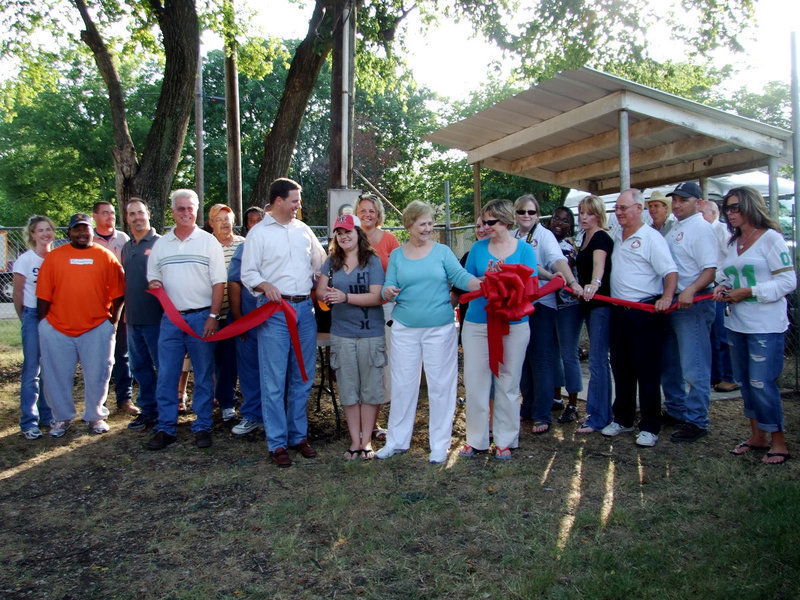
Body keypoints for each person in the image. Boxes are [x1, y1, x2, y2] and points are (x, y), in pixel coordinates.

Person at [376, 200, 481, 463]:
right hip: (404, 328)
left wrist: (481, 283)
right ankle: (396, 441)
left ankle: (439, 444)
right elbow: (388, 284)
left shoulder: (443, 252)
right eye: (422, 223)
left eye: (430, 223)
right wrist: (387, 291)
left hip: (440, 328)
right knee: (403, 384)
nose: (427, 228)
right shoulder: (398, 255)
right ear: (409, 225)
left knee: (441, 386)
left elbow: (459, 276)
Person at [241, 178, 326, 468]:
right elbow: (248, 273)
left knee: (302, 376)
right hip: (274, 312)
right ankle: (276, 442)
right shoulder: (258, 234)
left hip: (304, 311)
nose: (298, 206)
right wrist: (265, 285)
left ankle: (298, 436)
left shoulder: (303, 230)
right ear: (278, 201)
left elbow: (320, 263)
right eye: (295, 201)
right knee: (274, 379)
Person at [714, 186, 796, 465]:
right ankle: (757, 436)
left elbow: (788, 282)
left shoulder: (771, 239)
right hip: (737, 323)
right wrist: (722, 286)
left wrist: (748, 292)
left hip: (766, 324)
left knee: (762, 382)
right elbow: (725, 273)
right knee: (745, 383)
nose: (730, 213)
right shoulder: (732, 242)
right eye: (727, 208)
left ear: (751, 206)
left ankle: (779, 442)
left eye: (735, 207)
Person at [146, 189, 227, 450]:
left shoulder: (208, 242)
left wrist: (214, 316)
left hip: (202, 316)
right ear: (172, 211)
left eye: (190, 208)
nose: (186, 213)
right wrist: (155, 282)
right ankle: (166, 427)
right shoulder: (162, 244)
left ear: (197, 210)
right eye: (180, 208)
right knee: (167, 373)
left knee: (203, 374)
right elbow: (153, 276)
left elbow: (219, 283)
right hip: (171, 319)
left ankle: (202, 425)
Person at [459, 199, 537, 460]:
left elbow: (532, 289)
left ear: (505, 221)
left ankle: (505, 439)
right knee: (476, 381)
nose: (485, 226)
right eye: (483, 221)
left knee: (508, 382)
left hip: (513, 326)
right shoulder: (478, 250)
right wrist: (482, 283)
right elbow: (467, 282)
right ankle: (476, 439)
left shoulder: (525, 250)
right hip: (478, 323)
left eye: (491, 222)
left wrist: (508, 289)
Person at [36, 213, 125, 437]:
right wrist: (44, 324)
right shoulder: (55, 257)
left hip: (95, 327)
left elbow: (119, 293)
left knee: (99, 374)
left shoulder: (105, 256)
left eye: (86, 229)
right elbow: (43, 297)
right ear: (69, 233)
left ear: (92, 231)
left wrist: (111, 322)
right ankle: (62, 418)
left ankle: (94, 416)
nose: (82, 233)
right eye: (77, 229)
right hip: (57, 327)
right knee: (56, 375)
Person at [601, 189, 677, 448]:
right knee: (621, 367)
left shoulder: (651, 238)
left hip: (644, 313)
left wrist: (666, 297)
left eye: (624, 208)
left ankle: (650, 425)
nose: (619, 213)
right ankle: (623, 419)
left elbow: (670, 271)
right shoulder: (617, 236)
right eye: (617, 209)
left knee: (647, 371)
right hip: (619, 313)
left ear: (639, 208)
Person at [317, 214, 386, 460]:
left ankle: (366, 441)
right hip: (342, 334)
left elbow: (377, 297)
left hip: (370, 334)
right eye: (339, 232)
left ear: (358, 233)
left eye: (348, 231)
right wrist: (326, 295)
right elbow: (320, 290)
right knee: (348, 389)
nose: (344, 236)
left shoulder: (372, 261)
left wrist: (345, 297)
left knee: (370, 390)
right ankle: (354, 441)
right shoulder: (331, 261)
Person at [513, 194, 581, 434]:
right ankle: (527, 408)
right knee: (522, 359)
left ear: (537, 214)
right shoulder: (512, 237)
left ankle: (542, 414)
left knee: (541, 360)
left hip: (542, 304)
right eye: (522, 211)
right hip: (518, 305)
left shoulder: (544, 235)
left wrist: (571, 281)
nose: (526, 216)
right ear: (515, 213)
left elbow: (557, 261)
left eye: (531, 212)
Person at [661, 181, 717, 442]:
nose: (677, 204)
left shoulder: (702, 229)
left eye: (683, 199)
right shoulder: (675, 227)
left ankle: (697, 420)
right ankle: (676, 410)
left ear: (698, 201)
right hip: (672, 304)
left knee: (694, 366)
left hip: (692, 305)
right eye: (675, 199)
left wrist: (691, 290)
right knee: (671, 363)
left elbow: (710, 270)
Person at [355, 192, 400, 440]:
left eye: (372, 210)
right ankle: (360, 421)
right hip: (355, 311)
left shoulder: (390, 240)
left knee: (382, 364)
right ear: (357, 212)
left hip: (384, 309)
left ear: (379, 213)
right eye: (363, 210)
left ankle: (375, 423)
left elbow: (399, 272)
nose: (367, 214)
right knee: (360, 363)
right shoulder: (350, 236)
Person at [573, 195, 614, 434]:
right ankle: (598, 413)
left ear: (598, 214)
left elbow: (599, 265)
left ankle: (599, 417)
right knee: (598, 361)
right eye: (581, 213)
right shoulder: (584, 237)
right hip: (589, 305)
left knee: (599, 361)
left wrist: (594, 283)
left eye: (589, 213)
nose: (584, 217)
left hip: (601, 305)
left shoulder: (600, 236)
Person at [12, 215, 56, 439]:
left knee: (50, 368)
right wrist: (25, 318)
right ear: (32, 234)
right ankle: (29, 421)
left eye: (48, 229)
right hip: (31, 315)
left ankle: (48, 416)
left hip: (52, 317)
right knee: (32, 370)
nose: (45, 234)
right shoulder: (25, 260)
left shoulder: (56, 258)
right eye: (40, 230)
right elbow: (18, 293)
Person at [121, 199, 163, 430]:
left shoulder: (161, 244)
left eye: (140, 212)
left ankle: (166, 414)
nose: (137, 217)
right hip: (133, 320)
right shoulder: (127, 247)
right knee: (140, 368)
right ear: (127, 218)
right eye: (132, 214)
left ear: (148, 214)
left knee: (162, 367)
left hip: (156, 320)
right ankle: (148, 411)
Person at [92, 200, 137, 416]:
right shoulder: (88, 240)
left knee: (122, 354)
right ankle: (96, 401)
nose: (110, 217)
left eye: (112, 213)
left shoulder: (124, 239)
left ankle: (124, 399)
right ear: (95, 216)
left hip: (120, 306)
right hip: (95, 307)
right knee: (96, 355)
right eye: (104, 213)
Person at [229, 206, 266, 436]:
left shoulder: (278, 246)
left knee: (276, 370)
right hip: (249, 321)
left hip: (275, 321)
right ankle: (252, 414)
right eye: (250, 222)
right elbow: (234, 283)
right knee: (249, 369)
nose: (254, 225)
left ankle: (276, 415)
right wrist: (238, 319)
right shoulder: (243, 249)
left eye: (259, 221)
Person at [207, 203, 245, 422]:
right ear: (211, 223)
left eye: (227, 218)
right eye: (219, 218)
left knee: (232, 360)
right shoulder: (205, 245)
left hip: (239, 314)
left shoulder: (244, 244)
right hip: (212, 314)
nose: (224, 222)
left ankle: (230, 402)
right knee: (213, 361)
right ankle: (217, 402)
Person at [548, 206, 583, 424]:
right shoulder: (543, 240)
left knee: (569, 354)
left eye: (565, 220)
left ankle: (572, 403)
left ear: (571, 225)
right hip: (549, 304)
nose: (559, 223)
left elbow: (562, 269)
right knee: (553, 354)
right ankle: (556, 397)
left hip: (569, 306)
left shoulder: (569, 245)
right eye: (556, 219)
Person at [701, 200, 739, 393]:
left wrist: (720, 280)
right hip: (709, 287)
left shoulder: (721, 231)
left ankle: (727, 376)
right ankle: (715, 375)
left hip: (718, 286)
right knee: (710, 334)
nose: (700, 216)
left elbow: (730, 258)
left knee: (719, 333)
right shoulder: (704, 231)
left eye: (703, 212)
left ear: (713, 213)